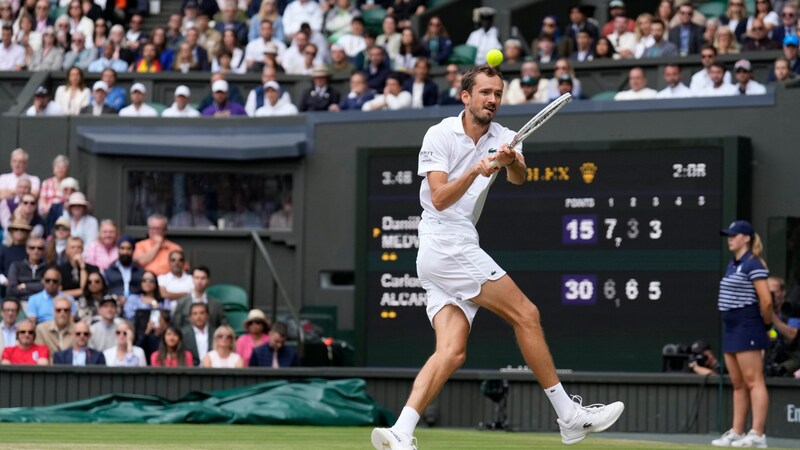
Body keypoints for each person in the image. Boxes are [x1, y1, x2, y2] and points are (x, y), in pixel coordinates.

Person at [369, 65, 624, 450]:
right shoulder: (439, 134)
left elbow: (520, 177)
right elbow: (438, 199)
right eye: (485, 92)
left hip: (443, 253)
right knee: (527, 314)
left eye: (498, 94)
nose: (492, 99)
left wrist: (510, 162)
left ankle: (400, 431)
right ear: (465, 97)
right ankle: (569, 417)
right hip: (445, 242)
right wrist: (477, 169)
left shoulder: (505, 136)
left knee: (451, 352)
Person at [711, 220, 772, 448]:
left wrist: (765, 326)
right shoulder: (733, 264)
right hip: (732, 327)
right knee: (738, 383)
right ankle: (737, 431)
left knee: (754, 381)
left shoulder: (753, 263)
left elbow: (766, 301)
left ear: (746, 238)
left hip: (748, 326)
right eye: (729, 235)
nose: (730, 238)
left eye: (734, 235)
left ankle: (758, 434)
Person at [766, 276, 800, 376]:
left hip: (791, 356)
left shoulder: (790, 310)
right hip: (771, 356)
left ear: (782, 292)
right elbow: (772, 335)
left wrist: (771, 316)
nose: (771, 296)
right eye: (768, 292)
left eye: (774, 292)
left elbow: (792, 335)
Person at [7, 236, 49, 306]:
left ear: (44, 250)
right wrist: (39, 286)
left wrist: (25, 285)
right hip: (20, 303)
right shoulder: (16, 266)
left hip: (43, 303)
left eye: (40, 248)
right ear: (27, 249)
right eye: (32, 248)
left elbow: (49, 288)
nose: (36, 251)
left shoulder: (48, 268)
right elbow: (11, 290)